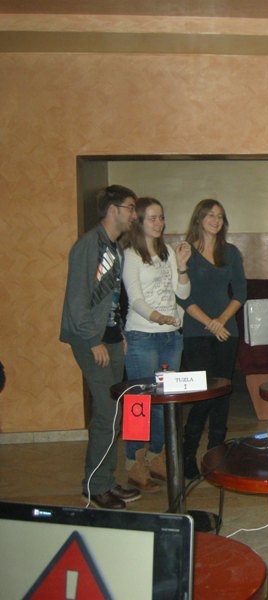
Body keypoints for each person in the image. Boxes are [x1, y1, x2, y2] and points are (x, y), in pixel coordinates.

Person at [60, 184, 142, 510]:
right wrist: (93, 339)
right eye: (130, 208)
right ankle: (94, 487)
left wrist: (117, 333)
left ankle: (106, 480)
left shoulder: (114, 248)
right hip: (89, 339)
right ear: (113, 210)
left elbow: (112, 299)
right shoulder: (88, 245)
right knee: (107, 412)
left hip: (110, 338)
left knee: (115, 412)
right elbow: (77, 298)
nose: (134, 214)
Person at [121, 197, 192, 492]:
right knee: (140, 402)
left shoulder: (167, 253)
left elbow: (182, 293)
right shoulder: (131, 255)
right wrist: (158, 317)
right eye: (152, 218)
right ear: (138, 221)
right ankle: (134, 462)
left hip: (170, 336)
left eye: (161, 217)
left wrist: (182, 266)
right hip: (142, 334)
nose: (159, 223)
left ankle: (156, 456)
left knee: (164, 401)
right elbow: (135, 299)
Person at [178, 199, 246, 480]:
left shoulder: (231, 252)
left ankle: (216, 453)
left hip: (227, 331)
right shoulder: (185, 252)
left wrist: (221, 321)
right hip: (196, 332)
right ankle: (187, 454)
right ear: (199, 218)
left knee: (222, 393)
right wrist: (210, 323)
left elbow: (240, 293)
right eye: (209, 215)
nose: (215, 220)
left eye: (219, 216)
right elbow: (182, 298)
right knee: (203, 396)